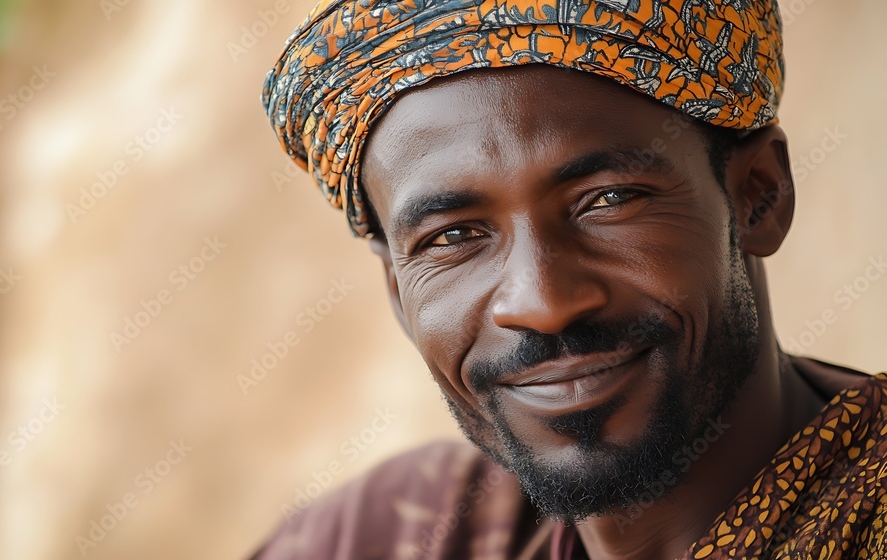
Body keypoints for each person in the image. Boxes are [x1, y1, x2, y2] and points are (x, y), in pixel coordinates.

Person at [255, 1, 887, 558]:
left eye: (608, 199)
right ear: (398, 289)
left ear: (758, 197)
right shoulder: (386, 532)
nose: (543, 304)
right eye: (452, 237)